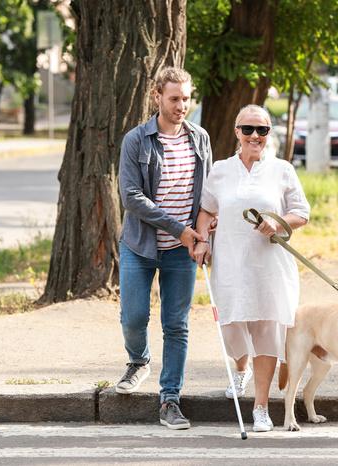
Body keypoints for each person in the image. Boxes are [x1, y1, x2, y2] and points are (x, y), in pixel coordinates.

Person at [194, 104, 310, 432]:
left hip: (270, 266)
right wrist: (202, 240)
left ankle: (261, 407)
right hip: (230, 264)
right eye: (248, 129)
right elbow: (205, 211)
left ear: (268, 134)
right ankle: (240, 368)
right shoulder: (220, 170)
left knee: (266, 331)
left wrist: (279, 222)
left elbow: (301, 211)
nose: (255, 136)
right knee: (232, 328)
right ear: (237, 132)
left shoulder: (282, 169)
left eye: (262, 130)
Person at [117, 67, 212, 430]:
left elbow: (207, 193)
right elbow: (131, 197)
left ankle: (170, 399)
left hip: (182, 251)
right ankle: (139, 361)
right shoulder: (137, 140)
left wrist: (204, 230)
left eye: (186, 98)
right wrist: (180, 229)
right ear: (156, 95)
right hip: (140, 246)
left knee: (176, 324)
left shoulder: (199, 138)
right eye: (174, 98)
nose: (181, 105)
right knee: (134, 317)